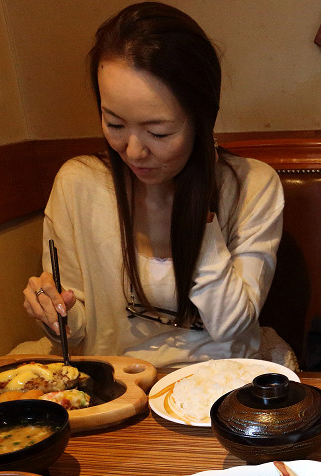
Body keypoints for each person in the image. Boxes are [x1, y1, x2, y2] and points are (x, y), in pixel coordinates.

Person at [21, 2, 285, 369]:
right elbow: (77, 330)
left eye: (158, 132)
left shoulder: (252, 185)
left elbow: (231, 327)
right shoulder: (78, 184)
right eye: (115, 124)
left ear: (201, 120)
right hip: (122, 383)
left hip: (221, 378)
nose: (133, 151)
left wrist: (197, 211)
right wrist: (53, 312)